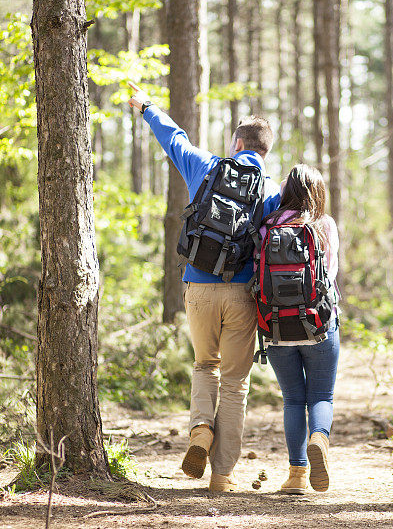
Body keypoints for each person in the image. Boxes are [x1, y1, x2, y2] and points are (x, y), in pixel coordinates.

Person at [128, 83, 281, 492]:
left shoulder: (208, 167)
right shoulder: (271, 190)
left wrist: (147, 107)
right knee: (234, 382)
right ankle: (222, 475)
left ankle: (199, 432)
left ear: (236, 142)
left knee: (203, 365)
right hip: (242, 293)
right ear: (265, 151)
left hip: (198, 287)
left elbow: (174, 139)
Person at [258, 164, 341, 494]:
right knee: (320, 395)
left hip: (276, 326)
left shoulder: (266, 227)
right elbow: (330, 273)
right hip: (320, 322)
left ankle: (296, 476)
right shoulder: (324, 225)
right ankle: (319, 438)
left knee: (293, 400)